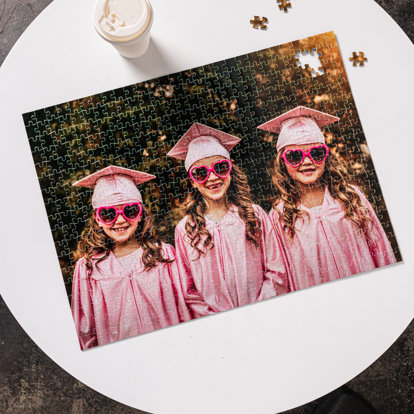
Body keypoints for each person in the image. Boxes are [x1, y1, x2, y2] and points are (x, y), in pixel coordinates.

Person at [258, 106, 397, 291]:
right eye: (294, 156)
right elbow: (282, 279)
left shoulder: (351, 197)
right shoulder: (279, 216)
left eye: (315, 153)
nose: (306, 161)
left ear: (326, 156)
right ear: (282, 162)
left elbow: (381, 251)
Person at [167, 122, 289, 318]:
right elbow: (189, 291)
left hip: (262, 315)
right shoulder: (185, 230)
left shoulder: (254, 215)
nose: (212, 177)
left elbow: (276, 271)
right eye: (200, 173)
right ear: (193, 182)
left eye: (220, 168)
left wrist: (259, 309)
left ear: (230, 173)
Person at [71, 165, 191, 350]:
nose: (120, 220)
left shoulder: (164, 255)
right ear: (97, 219)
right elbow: (85, 333)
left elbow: (185, 311)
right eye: (108, 214)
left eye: (130, 211)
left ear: (141, 213)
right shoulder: (87, 269)